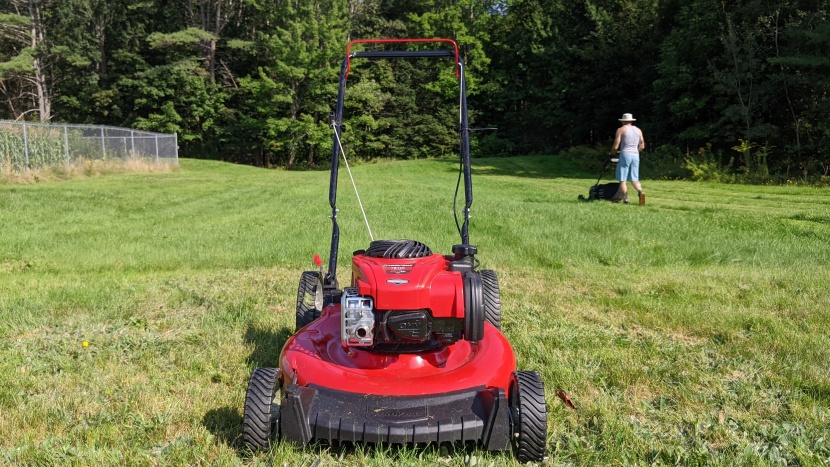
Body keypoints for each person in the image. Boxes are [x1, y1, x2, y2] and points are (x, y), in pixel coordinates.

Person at [610, 113, 645, 205]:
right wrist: (636, 151)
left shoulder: (621, 130)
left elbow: (616, 145)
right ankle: (640, 191)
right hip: (635, 155)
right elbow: (642, 145)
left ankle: (626, 199)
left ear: (623, 121)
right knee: (634, 178)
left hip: (625, 155)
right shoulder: (638, 130)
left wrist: (612, 152)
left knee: (623, 179)